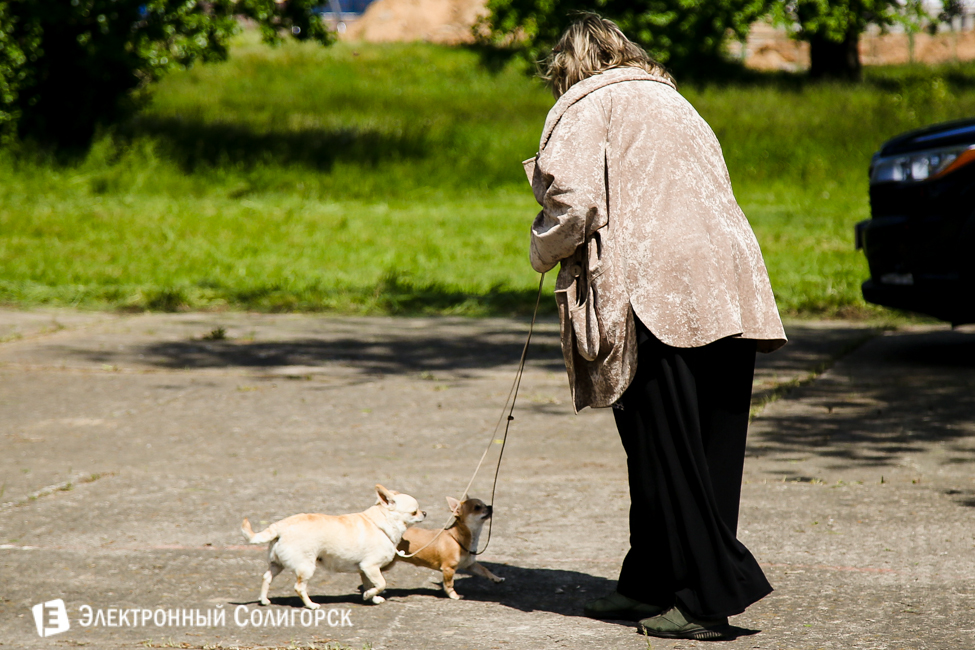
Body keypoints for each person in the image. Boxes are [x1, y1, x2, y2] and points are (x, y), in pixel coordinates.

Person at [523, 13, 788, 641]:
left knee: (663, 446)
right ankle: (650, 581)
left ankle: (708, 598)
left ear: (570, 64)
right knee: (707, 446)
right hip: (731, 284)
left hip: (655, 291)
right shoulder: (677, 102)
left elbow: (574, 201)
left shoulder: (587, 103)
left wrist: (541, 250)